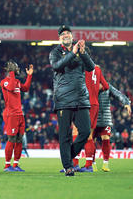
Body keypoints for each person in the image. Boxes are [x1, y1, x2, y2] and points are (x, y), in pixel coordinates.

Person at [49, 25, 95, 176]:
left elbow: (91, 67)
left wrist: (83, 53)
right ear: (59, 37)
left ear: (71, 35)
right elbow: (57, 66)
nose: (66, 35)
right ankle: (68, 166)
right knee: (65, 135)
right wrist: (73, 53)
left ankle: (67, 156)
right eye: (63, 34)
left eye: (68, 33)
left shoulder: (80, 51)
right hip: (63, 100)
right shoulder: (55, 52)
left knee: (85, 131)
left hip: (81, 98)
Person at [0, 60, 33, 172]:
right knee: (12, 138)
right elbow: (10, 88)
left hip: (20, 114)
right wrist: (12, 74)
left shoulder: (17, 81)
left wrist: (29, 76)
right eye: (15, 68)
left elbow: (26, 88)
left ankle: (15, 164)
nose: (17, 69)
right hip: (11, 114)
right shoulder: (4, 82)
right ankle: (7, 165)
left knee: (19, 139)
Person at [93, 84, 131, 171]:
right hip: (93, 117)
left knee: (106, 140)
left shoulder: (107, 86)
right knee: (92, 141)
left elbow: (118, 94)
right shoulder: (89, 84)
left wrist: (126, 102)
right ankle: (92, 163)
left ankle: (105, 164)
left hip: (105, 118)